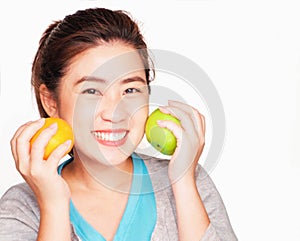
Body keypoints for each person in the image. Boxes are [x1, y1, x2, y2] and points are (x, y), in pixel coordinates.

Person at [0, 7, 237, 241]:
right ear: (51, 102)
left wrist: (184, 183)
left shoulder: (189, 180)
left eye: (130, 89)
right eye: (91, 91)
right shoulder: (22, 207)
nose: (114, 113)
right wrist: (54, 205)